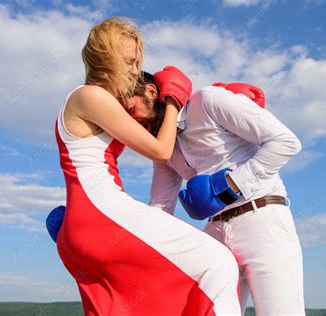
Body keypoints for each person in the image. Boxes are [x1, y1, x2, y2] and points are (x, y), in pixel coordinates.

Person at [51, 17, 241, 316]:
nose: (134, 71)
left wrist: (212, 115)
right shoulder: (90, 95)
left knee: (146, 296)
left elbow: (152, 131)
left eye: (137, 63)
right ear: (105, 58)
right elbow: (161, 150)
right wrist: (174, 100)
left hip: (87, 221)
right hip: (101, 213)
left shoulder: (101, 102)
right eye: (128, 62)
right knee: (219, 262)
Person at [122, 74, 305, 316]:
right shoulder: (162, 148)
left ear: (150, 92)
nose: (130, 124)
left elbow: (285, 141)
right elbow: (160, 208)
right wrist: (115, 240)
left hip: (263, 221)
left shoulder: (208, 101)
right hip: (215, 235)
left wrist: (230, 185)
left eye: (130, 111)